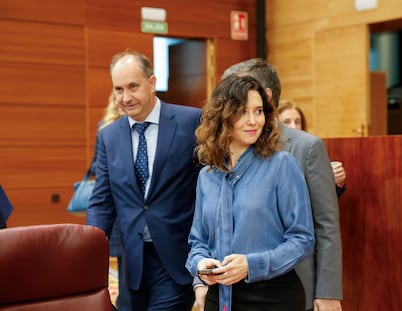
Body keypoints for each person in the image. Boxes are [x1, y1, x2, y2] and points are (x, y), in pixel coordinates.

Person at [193, 59, 341, 311]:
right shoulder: (207, 175)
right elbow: (197, 241)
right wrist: (199, 266)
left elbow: (303, 238)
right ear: (222, 115)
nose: (253, 120)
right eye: (242, 111)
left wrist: (251, 265)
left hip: (273, 298)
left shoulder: (283, 165)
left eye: (259, 111)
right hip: (221, 298)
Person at [86, 49, 202, 311]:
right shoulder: (109, 136)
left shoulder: (190, 121)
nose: (125, 97)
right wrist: (88, 252)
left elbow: (207, 188)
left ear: (151, 84)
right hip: (131, 264)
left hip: (176, 260)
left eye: (133, 87)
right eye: (118, 89)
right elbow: (102, 202)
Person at [90, 91, 131, 311]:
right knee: (120, 253)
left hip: (134, 205)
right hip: (115, 203)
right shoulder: (106, 128)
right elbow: (97, 165)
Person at [278, 99, 347, 197]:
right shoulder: (270, 154)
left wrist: (336, 182)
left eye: (297, 122)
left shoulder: (312, 148)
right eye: (286, 122)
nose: (293, 127)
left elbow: (327, 201)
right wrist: (322, 178)